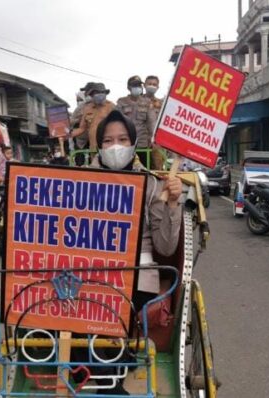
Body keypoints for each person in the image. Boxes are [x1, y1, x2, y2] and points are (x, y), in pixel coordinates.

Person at [76, 110, 183, 395]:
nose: (115, 146)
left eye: (122, 139)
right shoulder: (78, 181)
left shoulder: (151, 184)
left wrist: (173, 203)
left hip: (136, 278)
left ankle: (107, 384)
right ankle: (100, 368)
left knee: (108, 306)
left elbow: (166, 247)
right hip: (88, 273)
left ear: (134, 143)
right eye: (108, 140)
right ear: (99, 145)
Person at [115, 76, 157, 168]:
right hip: (126, 143)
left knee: (145, 168)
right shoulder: (121, 102)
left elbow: (152, 122)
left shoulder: (147, 102)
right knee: (125, 168)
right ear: (128, 88)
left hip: (142, 143)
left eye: (139, 85)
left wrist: (152, 138)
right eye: (134, 85)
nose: (137, 88)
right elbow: (116, 121)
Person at [70, 82, 114, 163]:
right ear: (91, 95)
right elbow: (82, 128)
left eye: (102, 92)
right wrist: (67, 135)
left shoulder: (111, 107)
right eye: (96, 93)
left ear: (105, 94)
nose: (99, 95)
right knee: (96, 172)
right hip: (93, 148)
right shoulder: (87, 108)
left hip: (109, 148)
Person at [144, 75, 167, 170]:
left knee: (157, 170)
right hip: (140, 143)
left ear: (158, 87)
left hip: (157, 144)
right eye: (149, 84)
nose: (152, 86)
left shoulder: (161, 104)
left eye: (154, 84)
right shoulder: (137, 101)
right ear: (144, 85)